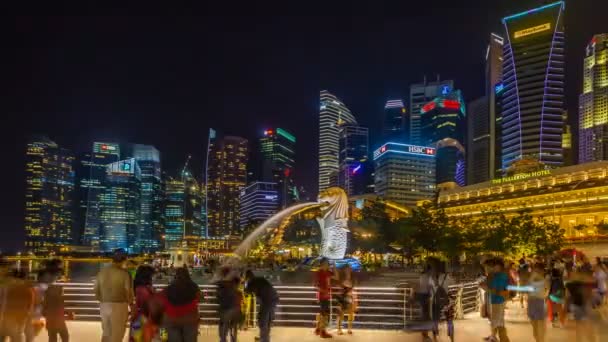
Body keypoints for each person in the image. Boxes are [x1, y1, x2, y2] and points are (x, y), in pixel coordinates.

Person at [95, 249, 133, 342]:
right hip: (119, 305)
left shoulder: (101, 272)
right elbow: (128, 291)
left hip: (104, 304)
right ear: (124, 260)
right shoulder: (124, 273)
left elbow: (96, 289)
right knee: (117, 334)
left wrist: (102, 300)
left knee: (106, 333)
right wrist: (131, 303)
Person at [160, 267, 200, 342]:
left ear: (176, 275)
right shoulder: (193, 286)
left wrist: (162, 338)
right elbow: (200, 298)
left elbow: (161, 299)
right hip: (190, 318)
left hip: (171, 318)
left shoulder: (169, 287)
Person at [566, 263, 598, 342]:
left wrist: (566, 308)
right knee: (588, 326)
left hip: (576, 306)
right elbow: (590, 293)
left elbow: (568, 297)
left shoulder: (570, 283)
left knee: (579, 327)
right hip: (585, 305)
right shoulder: (586, 281)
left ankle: (580, 340)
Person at [130, 265, 162, 342]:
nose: (153, 278)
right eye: (152, 275)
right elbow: (148, 304)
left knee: (137, 338)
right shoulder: (144, 289)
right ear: (147, 276)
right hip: (146, 318)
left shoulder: (139, 287)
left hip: (139, 318)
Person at [244, 270, 278, 342]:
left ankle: (263, 339)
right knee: (268, 320)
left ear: (247, 277)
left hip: (266, 301)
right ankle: (265, 338)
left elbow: (246, 292)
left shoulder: (251, 282)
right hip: (274, 298)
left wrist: (245, 283)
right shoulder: (260, 279)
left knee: (263, 320)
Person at [482, 258, 510, 342]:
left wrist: (486, 288)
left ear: (499, 266)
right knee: (499, 322)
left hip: (498, 301)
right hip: (496, 301)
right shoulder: (496, 275)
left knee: (496, 322)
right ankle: (495, 337)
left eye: (494, 266)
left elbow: (499, 291)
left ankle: (494, 338)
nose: (493, 267)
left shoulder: (501, 276)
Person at [428, 258, 455, 342]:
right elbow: (453, 284)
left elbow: (430, 291)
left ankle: (435, 336)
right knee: (449, 319)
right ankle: (451, 337)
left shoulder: (431, 278)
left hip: (436, 302)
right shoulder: (447, 277)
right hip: (446, 302)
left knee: (434, 320)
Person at [43, 271, 71, 342]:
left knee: (52, 337)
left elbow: (44, 310)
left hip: (50, 320)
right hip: (59, 320)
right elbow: (62, 307)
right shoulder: (59, 297)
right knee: (65, 336)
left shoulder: (48, 295)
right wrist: (68, 313)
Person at [216, 270, 241, 342]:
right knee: (231, 324)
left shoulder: (222, 284)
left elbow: (218, 296)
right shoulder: (231, 285)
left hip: (226, 307)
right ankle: (231, 338)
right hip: (232, 307)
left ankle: (224, 338)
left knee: (224, 324)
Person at [527, 262, 548, 342]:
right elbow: (546, 289)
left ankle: (539, 339)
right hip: (537, 301)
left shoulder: (534, 277)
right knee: (538, 323)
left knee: (536, 323)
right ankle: (539, 339)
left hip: (535, 301)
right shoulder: (541, 278)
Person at [314, 258, 333, 339]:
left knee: (324, 313)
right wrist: (323, 290)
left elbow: (337, 277)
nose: (327, 265)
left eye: (328, 263)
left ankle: (318, 329)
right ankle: (323, 331)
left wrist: (334, 267)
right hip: (322, 295)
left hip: (327, 295)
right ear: (321, 264)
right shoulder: (319, 272)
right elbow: (315, 285)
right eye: (325, 263)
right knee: (324, 313)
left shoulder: (327, 272)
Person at [334, 265, 356, 336]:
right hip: (342, 298)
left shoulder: (353, 280)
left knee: (351, 313)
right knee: (341, 314)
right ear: (344, 271)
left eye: (349, 270)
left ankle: (349, 328)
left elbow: (353, 290)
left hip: (349, 298)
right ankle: (339, 329)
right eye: (346, 270)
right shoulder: (341, 279)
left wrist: (353, 298)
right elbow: (339, 289)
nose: (348, 271)